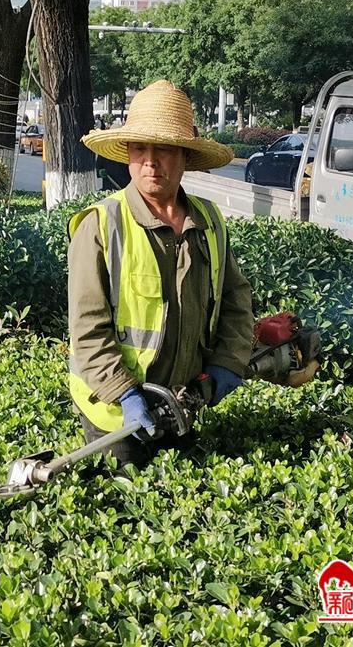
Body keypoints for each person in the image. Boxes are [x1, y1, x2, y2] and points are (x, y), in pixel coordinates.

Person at [69, 80, 255, 468]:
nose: (150, 161)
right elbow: (87, 330)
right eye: (140, 148)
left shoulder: (209, 221)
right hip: (116, 414)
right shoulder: (101, 225)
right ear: (127, 154)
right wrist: (124, 393)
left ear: (185, 155)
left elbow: (235, 300)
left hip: (182, 405)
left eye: (164, 148)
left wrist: (228, 361)